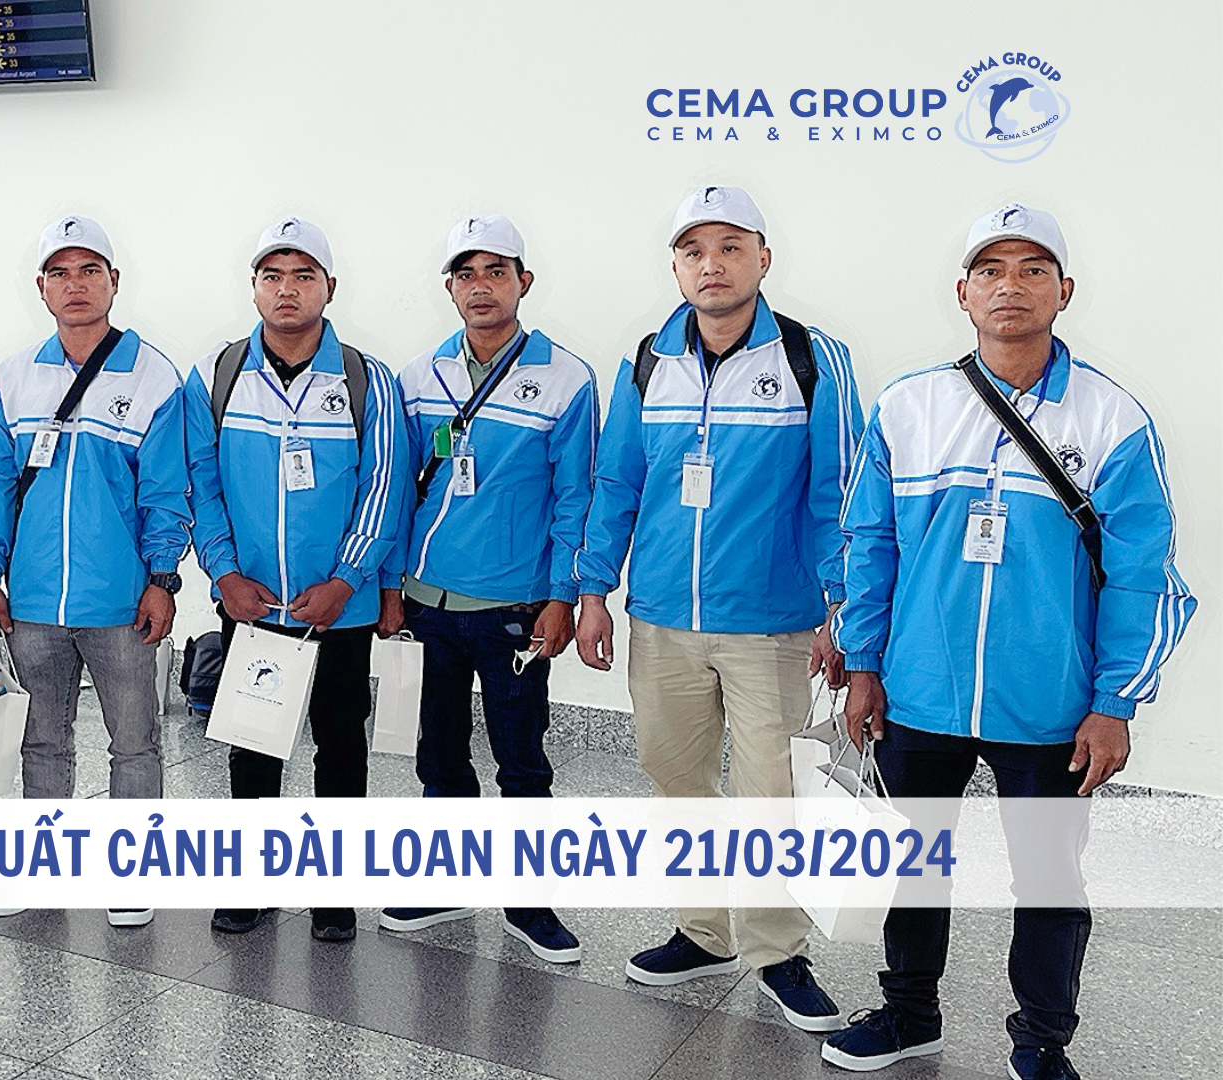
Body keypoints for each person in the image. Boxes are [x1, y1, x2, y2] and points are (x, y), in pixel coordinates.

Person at [825, 205, 1195, 1079]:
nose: (1010, 286)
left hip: (1049, 702)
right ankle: (909, 1013)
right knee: (916, 865)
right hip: (919, 690)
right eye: (990, 270)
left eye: (1033, 269)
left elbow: (1143, 575)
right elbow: (867, 544)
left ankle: (1041, 1042)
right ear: (963, 293)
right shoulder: (909, 406)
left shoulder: (1112, 419)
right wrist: (864, 662)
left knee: (1048, 880)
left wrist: (1113, 702)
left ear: (1065, 291)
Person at [573, 185, 864, 1030]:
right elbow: (617, 482)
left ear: (763, 259)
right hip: (661, 617)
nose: (713, 265)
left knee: (770, 792)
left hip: (771, 622)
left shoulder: (811, 359)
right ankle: (703, 931)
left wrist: (843, 607)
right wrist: (594, 590)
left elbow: (837, 492)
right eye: (694, 251)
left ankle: (776, 951)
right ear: (675, 267)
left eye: (731, 247)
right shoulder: (648, 361)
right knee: (678, 778)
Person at [376, 215, 598, 964]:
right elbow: (394, 488)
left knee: (521, 758)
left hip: (515, 609)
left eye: (496, 272)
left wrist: (563, 597)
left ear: (522, 282)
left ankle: (529, 901)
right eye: (466, 274)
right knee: (438, 753)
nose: (481, 287)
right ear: (449, 288)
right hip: (428, 603)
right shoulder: (418, 377)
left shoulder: (565, 378)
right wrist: (391, 586)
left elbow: (575, 499)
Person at [185, 217, 408, 943]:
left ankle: (333, 892)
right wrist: (224, 573)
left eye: (303, 276)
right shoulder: (216, 377)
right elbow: (200, 483)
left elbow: (384, 488)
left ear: (329, 288)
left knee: (340, 747)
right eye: (273, 276)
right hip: (252, 605)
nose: (288, 289)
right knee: (252, 744)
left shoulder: (367, 380)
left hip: (337, 610)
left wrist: (347, 581)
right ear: (254, 288)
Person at [0, 215, 190, 928]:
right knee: (42, 740)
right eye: (60, 273)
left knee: (135, 743)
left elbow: (166, 491)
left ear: (113, 281)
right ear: (41, 287)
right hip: (33, 601)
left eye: (89, 270)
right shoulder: (12, 377)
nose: (76, 285)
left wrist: (162, 578)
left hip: (120, 603)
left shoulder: (154, 376)